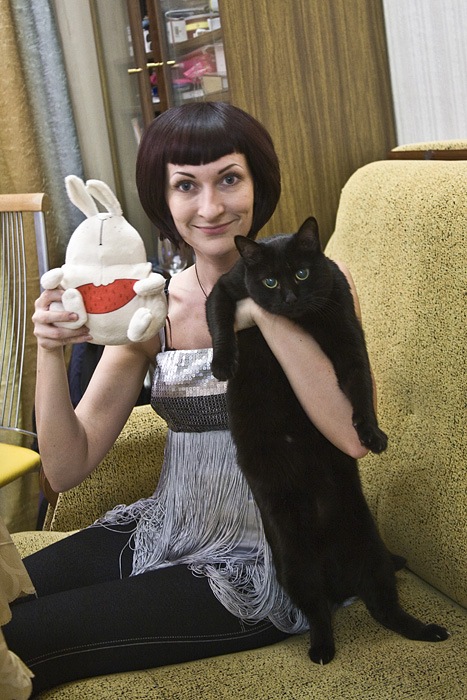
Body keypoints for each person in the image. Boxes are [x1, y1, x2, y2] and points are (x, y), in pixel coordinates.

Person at [4, 102, 369, 694]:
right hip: (167, 526)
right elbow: (67, 468)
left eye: (229, 178)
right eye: (186, 185)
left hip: (270, 558)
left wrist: (259, 311)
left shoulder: (318, 283)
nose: (211, 207)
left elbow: (353, 437)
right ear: (163, 200)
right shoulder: (156, 309)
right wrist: (48, 351)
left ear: (258, 183)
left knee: (19, 638)